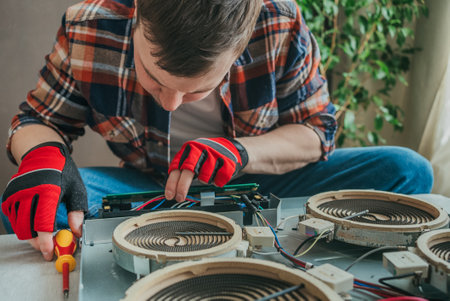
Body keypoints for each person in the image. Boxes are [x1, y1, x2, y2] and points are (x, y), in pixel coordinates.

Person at [1, 0, 433, 261]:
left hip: (261, 180)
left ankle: (209, 218)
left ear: (239, 47)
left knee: (407, 171)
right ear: (137, 19)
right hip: (150, 185)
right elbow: (38, 122)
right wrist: (42, 156)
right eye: (154, 79)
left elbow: (316, 131)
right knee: (22, 208)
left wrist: (240, 152)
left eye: (195, 91)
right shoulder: (88, 25)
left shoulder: (279, 21)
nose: (169, 102)